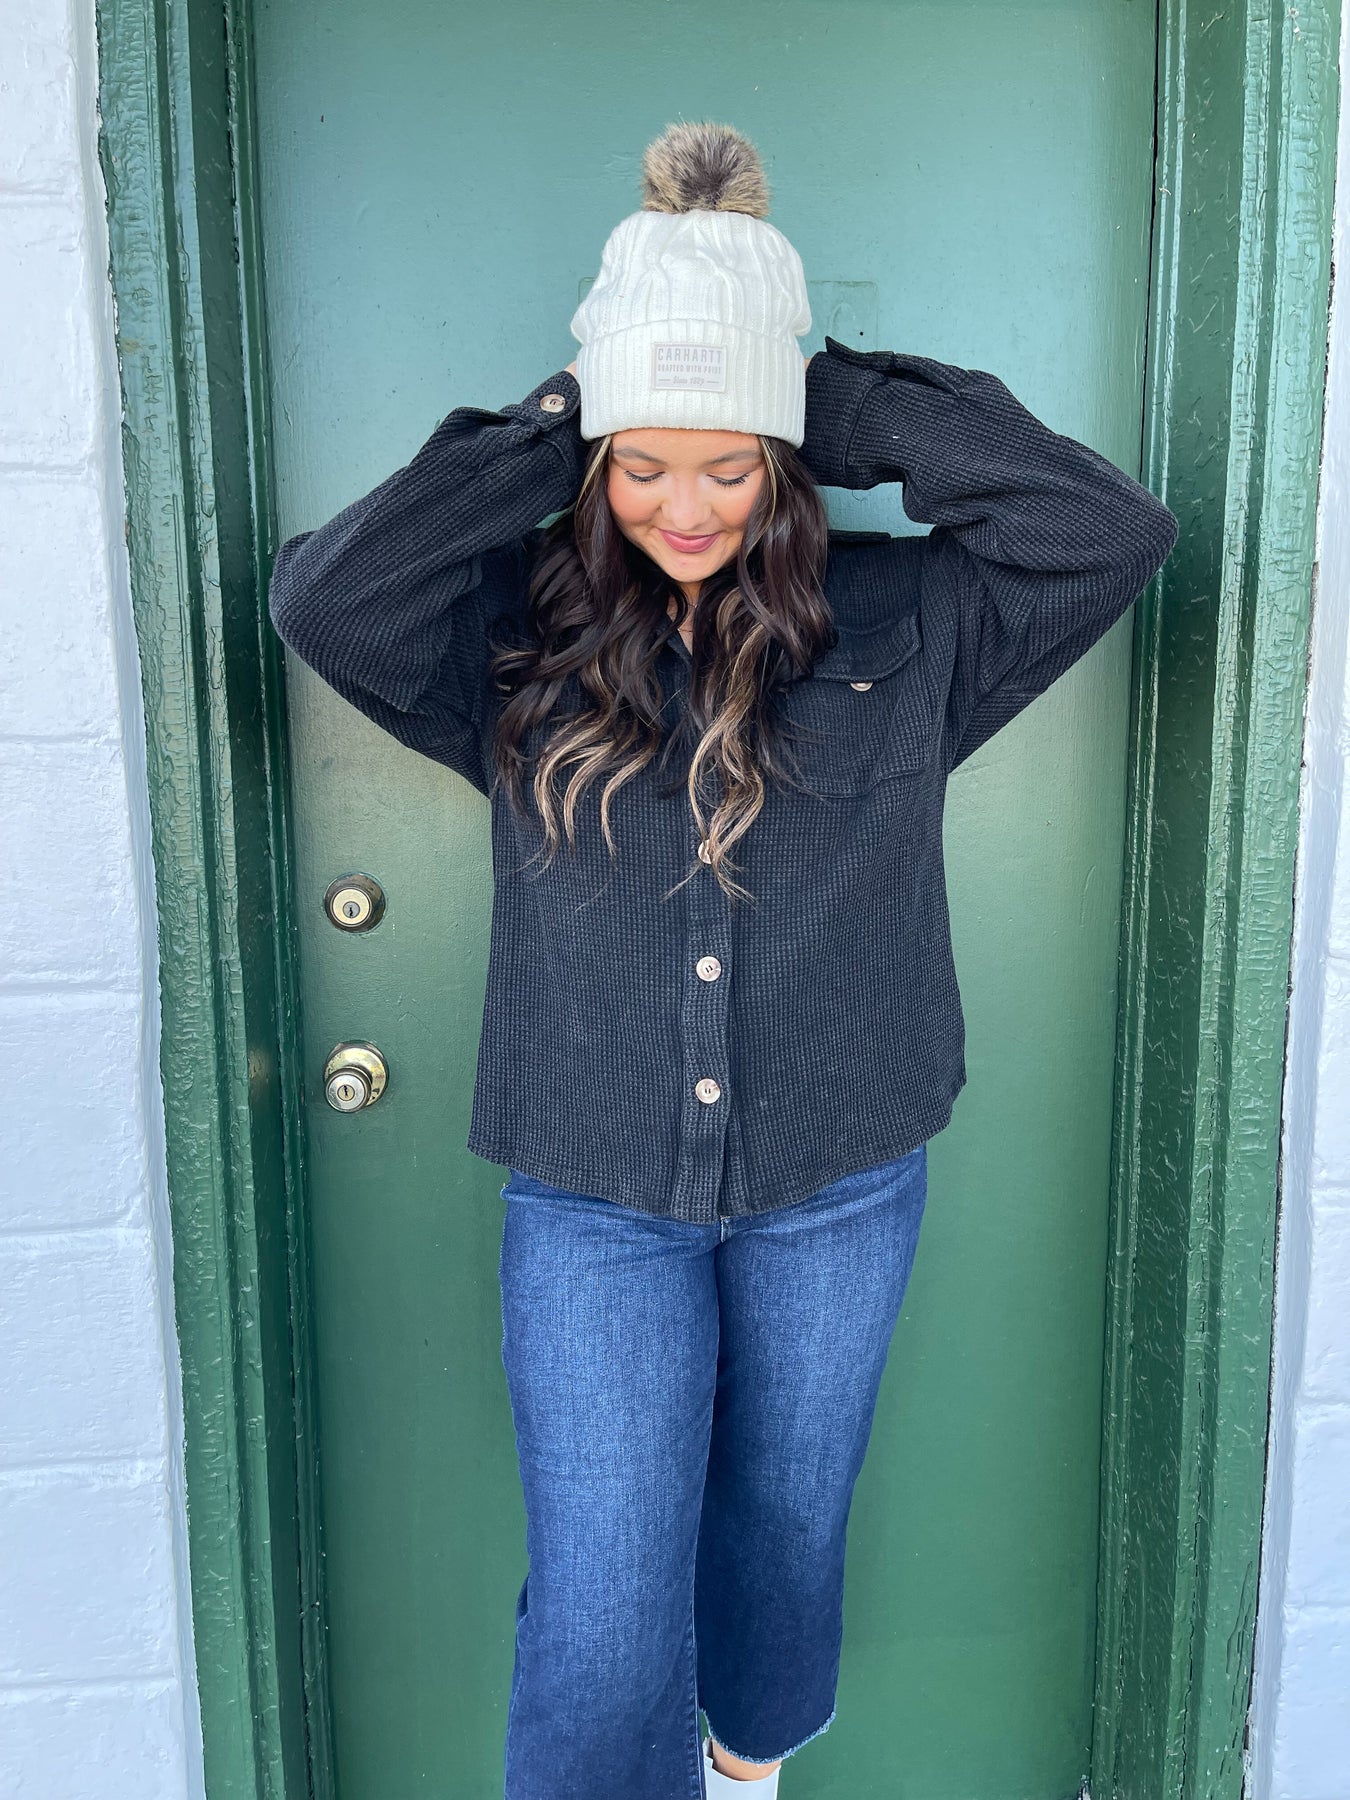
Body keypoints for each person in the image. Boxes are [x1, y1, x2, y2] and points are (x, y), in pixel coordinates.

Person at [268, 120, 1178, 1800]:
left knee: (781, 1535)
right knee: (604, 1601)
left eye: (728, 465)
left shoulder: (911, 624)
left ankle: (745, 1770)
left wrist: (802, 377)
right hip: (593, 1194)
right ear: (595, 465)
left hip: (837, 1175)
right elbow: (328, 597)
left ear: (781, 464)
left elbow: (1104, 530)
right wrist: (576, 402)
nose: (681, 508)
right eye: (640, 466)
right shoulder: (513, 640)